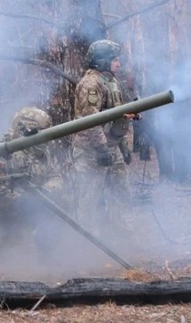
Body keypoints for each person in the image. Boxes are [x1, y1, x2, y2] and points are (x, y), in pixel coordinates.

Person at [0, 107, 64, 263]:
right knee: (13, 262)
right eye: (42, 132)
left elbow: (56, 177)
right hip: (5, 218)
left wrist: (44, 192)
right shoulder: (2, 154)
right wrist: (26, 201)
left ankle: (44, 254)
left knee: (56, 210)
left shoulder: (42, 154)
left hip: (31, 209)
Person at [71, 39, 135, 239]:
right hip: (90, 152)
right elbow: (91, 120)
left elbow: (115, 116)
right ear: (102, 61)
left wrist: (123, 145)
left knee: (121, 194)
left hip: (111, 147)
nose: (119, 64)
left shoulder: (111, 81)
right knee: (88, 201)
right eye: (115, 60)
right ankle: (86, 245)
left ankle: (122, 240)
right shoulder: (91, 83)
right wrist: (101, 149)